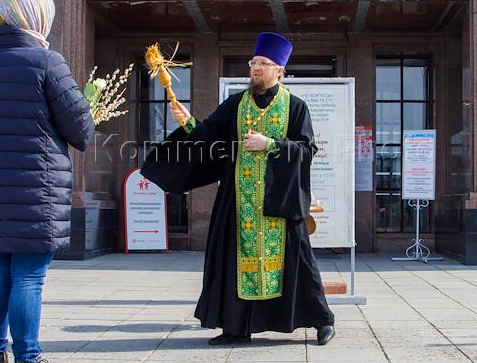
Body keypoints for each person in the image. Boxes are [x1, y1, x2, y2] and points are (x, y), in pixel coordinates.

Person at [142, 32, 336, 346]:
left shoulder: (295, 107)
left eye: (263, 63)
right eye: (253, 62)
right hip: (239, 199)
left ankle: (323, 321)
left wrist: (269, 144)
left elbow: (306, 149)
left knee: (298, 262)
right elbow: (209, 136)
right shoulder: (236, 104)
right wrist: (188, 122)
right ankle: (236, 327)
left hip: (279, 201)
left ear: (279, 70)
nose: (256, 68)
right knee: (233, 261)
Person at [0, 0, 94, 363]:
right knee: (29, 278)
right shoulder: (46, 61)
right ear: (36, 17)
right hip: (36, 189)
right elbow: (81, 130)